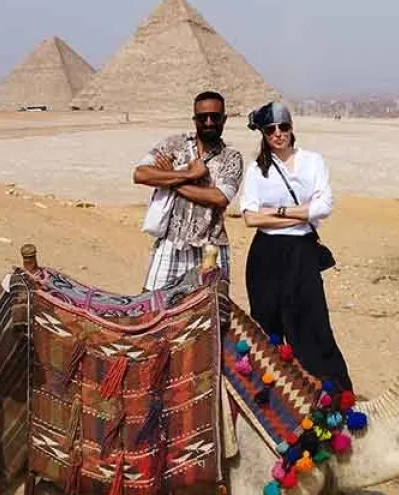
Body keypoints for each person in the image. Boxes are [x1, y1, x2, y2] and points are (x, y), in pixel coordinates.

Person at [239, 101, 353, 391]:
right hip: (266, 255)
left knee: (312, 326)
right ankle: (272, 397)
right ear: (263, 134)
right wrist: (298, 212)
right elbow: (251, 217)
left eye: (284, 127)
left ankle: (329, 398)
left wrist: (276, 213)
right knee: (267, 327)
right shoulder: (256, 169)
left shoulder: (312, 161)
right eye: (270, 129)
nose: (278, 134)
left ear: (292, 128)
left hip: (301, 254)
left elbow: (323, 207)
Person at [133, 91, 243, 290]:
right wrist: (189, 175)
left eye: (215, 117)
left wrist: (170, 179)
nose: (209, 122)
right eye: (202, 117)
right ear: (194, 119)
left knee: (214, 314)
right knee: (152, 309)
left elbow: (219, 198)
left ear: (224, 119)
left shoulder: (231, 157)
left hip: (212, 246)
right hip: (171, 244)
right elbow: (141, 174)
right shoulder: (174, 145)